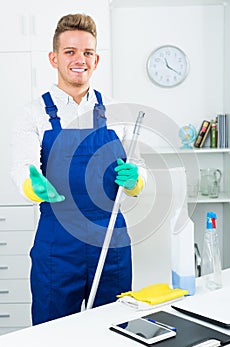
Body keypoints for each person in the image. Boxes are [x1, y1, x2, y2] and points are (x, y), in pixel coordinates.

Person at [11, 13, 146, 326]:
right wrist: (34, 185)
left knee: (114, 329)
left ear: (96, 60)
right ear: (54, 57)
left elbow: (138, 166)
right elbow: (22, 167)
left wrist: (136, 180)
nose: (79, 59)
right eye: (70, 51)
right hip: (58, 241)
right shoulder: (31, 114)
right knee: (52, 331)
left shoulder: (116, 110)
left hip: (109, 236)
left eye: (87, 53)